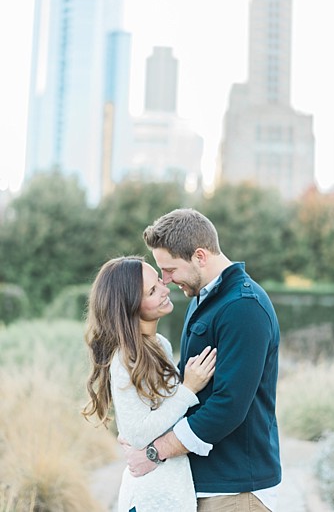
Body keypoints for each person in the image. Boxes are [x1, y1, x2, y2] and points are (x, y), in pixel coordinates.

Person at [122, 208, 281, 512]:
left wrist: (155, 452)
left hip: (236, 492)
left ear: (199, 256)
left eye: (169, 269)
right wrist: (137, 427)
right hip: (206, 486)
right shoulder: (204, 300)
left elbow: (228, 406)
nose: (165, 280)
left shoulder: (243, 307)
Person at [83, 255, 217, 511]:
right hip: (149, 498)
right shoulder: (126, 359)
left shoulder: (160, 346)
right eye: (153, 290)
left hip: (171, 493)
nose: (166, 290)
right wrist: (188, 389)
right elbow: (137, 433)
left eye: (159, 281)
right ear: (131, 305)